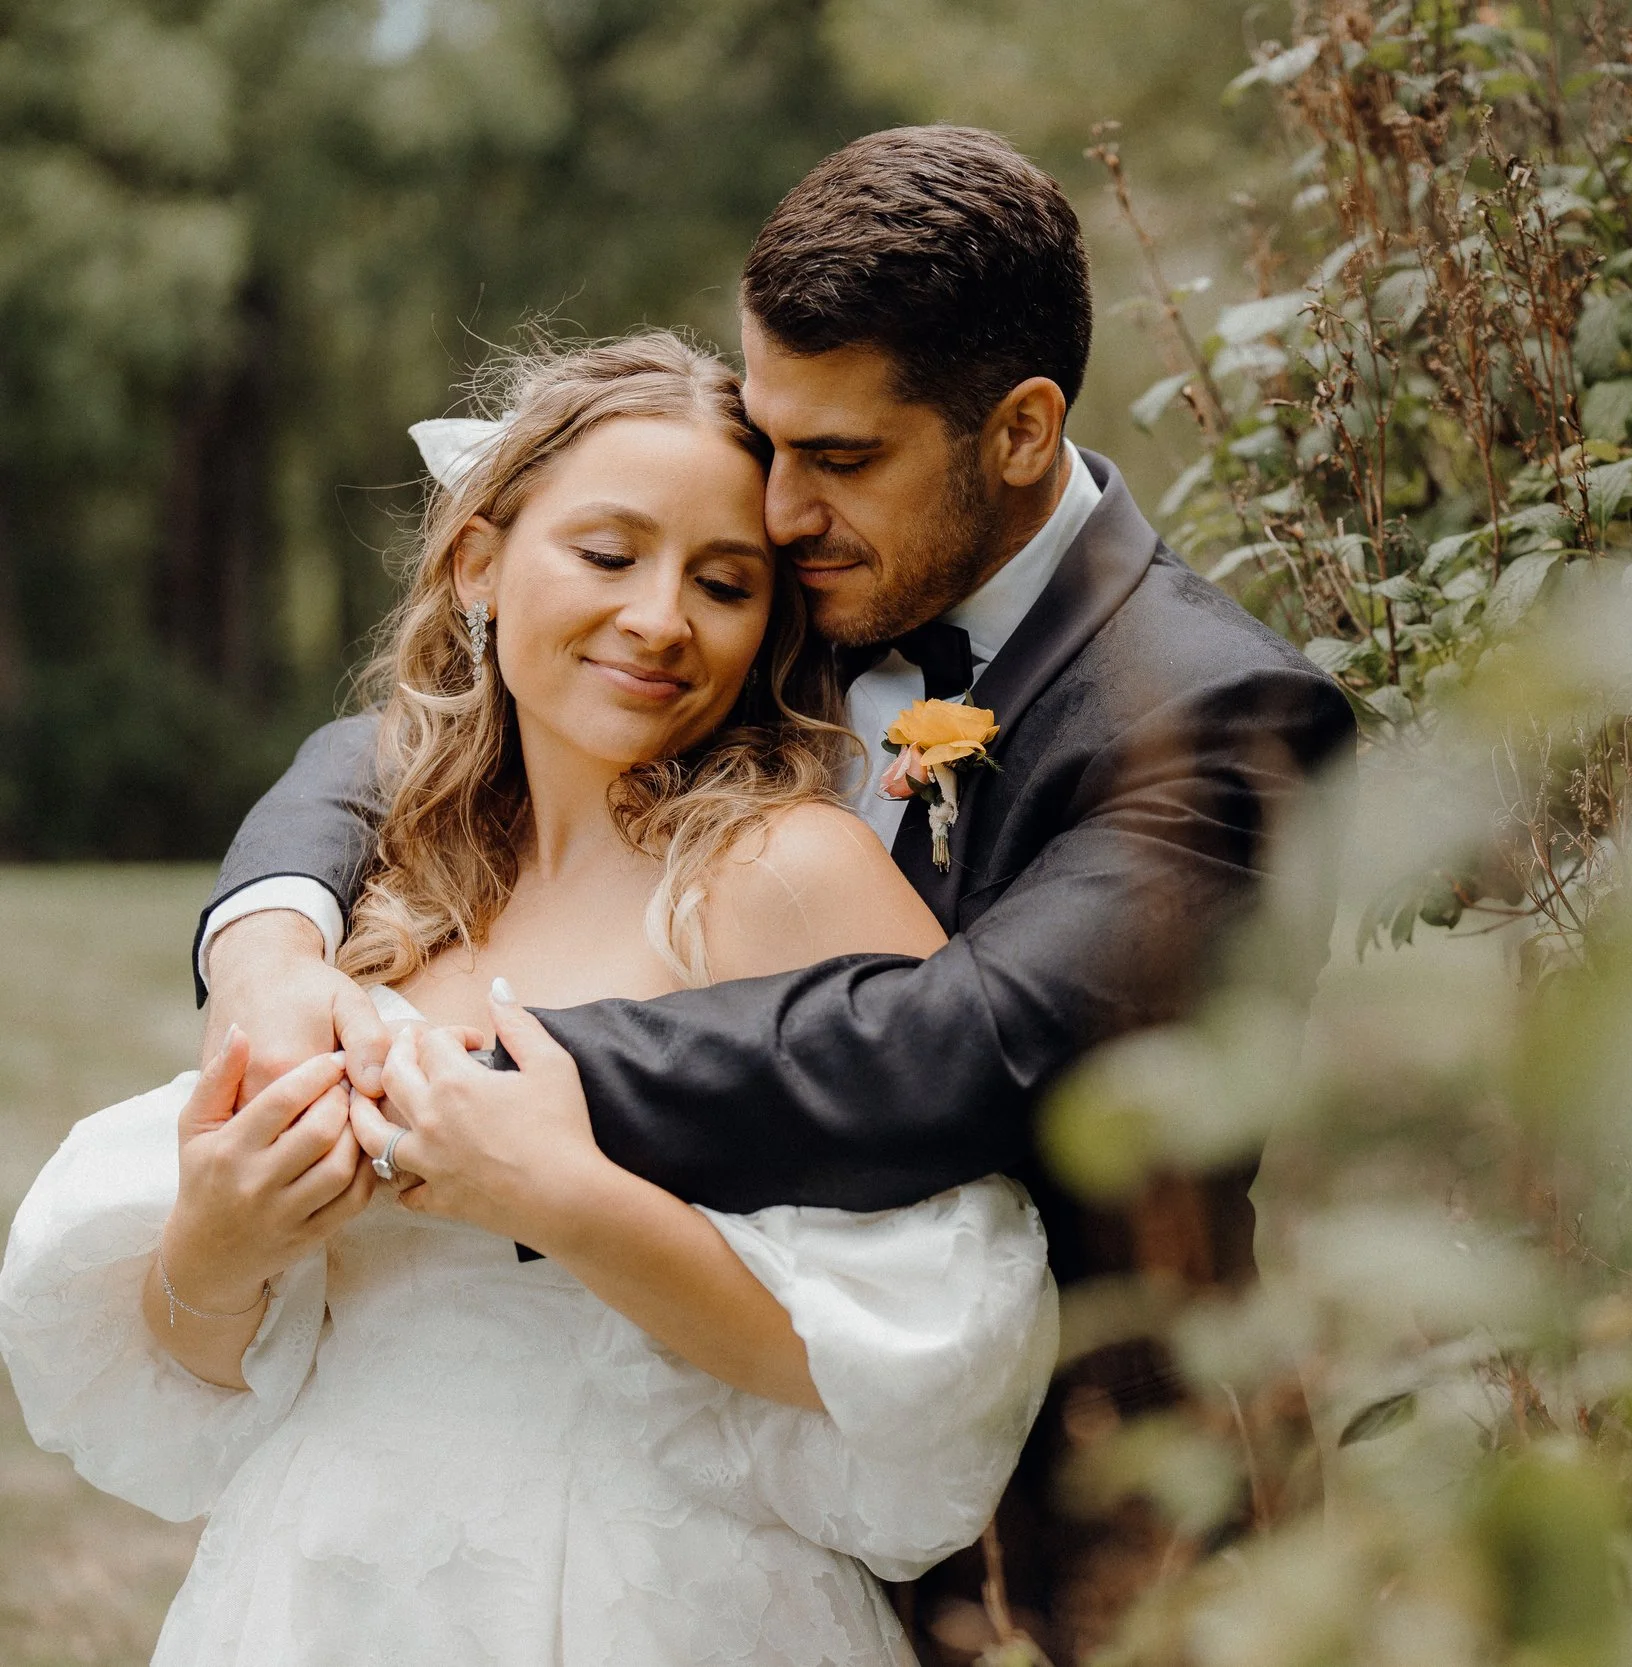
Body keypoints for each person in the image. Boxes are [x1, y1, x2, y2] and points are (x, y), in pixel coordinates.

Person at [191, 126, 1355, 1656]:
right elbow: (461, 719)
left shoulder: (1214, 717)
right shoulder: (813, 576)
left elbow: (970, 1043)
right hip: (734, 1506)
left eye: (841, 456)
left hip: (1092, 1536)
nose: (781, 508)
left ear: (1017, 431)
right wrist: (272, 930)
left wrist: (462, 1070)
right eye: (770, 436)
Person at [0, 334, 1057, 1666]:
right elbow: (211, 1384)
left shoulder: (785, 877)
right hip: (320, 1590)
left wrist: (561, 1195)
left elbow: (934, 1337)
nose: (662, 617)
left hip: (652, 1600)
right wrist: (214, 1253)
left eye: (723, 582)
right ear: (479, 561)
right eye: (609, 555)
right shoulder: (380, 880)